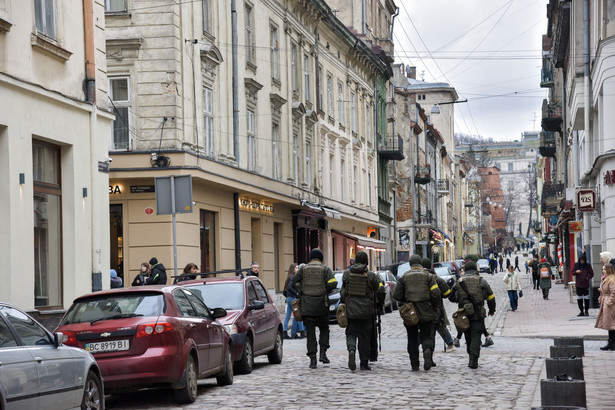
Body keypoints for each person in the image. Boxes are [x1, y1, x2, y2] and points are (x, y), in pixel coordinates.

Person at [393, 254, 441, 372]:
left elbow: (396, 295)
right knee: (426, 335)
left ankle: (414, 364)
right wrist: (434, 307)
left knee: (412, 338)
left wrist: (405, 300)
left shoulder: (404, 277)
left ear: (410, 264)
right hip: (426, 309)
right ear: (420, 263)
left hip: (410, 312)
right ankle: (427, 350)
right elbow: (436, 294)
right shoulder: (429, 276)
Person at [291, 249, 337, 369]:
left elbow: (293, 282)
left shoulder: (303, 269)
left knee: (310, 333)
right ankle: (323, 352)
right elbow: (334, 283)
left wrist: (301, 290)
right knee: (324, 328)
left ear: (310, 258)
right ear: (321, 258)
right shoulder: (325, 269)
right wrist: (325, 289)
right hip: (322, 305)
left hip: (307, 306)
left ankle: (313, 359)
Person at [341, 251, 383, 371]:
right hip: (366, 311)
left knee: (351, 333)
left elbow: (343, 292)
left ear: (355, 261)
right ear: (366, 262)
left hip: (351, 310)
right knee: (365, 336)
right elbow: (377, 289)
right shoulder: (370, 275)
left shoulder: (347, 274)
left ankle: (352, 350)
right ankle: (364, 363)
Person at [450, 260, 496, 369]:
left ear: (465, 270)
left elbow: (451, 296)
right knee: (476, 335)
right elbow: (491, 297)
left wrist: (460, 300)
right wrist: (492, 310)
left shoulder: (459, 281)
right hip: (478, 313)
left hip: (464, 313)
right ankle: (473, 359)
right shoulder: (481, 281)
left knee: (468, 335)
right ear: (475, 269)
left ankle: (470, 355)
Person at [420, 258, 456, 356]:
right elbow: (447, 293)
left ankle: (420, 345)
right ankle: (450, 343)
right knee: (440, 324)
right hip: (437, 307)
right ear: (431, 266)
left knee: (424, 326)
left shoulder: (420, 278)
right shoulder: (437, 278)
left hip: (422, 306)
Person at [595, 263, 615, 350]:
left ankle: (612, 343)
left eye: (604, 269)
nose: (602, 271)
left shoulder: (611, 280)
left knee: (611, 324)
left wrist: (609, 302)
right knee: (609, 324)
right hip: (605, 302)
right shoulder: (605, 279)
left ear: (609, 270)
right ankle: (610, 342)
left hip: (610, 305)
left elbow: (613, 292)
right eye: (602, 269)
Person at [283, 263, 305, 339]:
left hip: (289, 298)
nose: (297, 269)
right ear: (292, 269)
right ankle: (301, 332)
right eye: (296, 268)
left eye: (298, 268)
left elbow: (285, 290)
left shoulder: (289, 277)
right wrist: (296, 293)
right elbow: (289, 287)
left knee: (288, 316)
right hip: (293, 298)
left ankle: (285, 332)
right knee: (298, 314)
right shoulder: (292, 277)